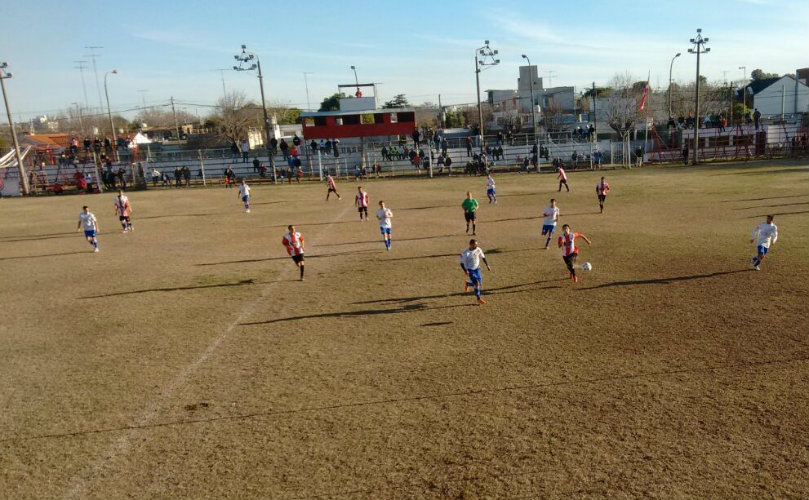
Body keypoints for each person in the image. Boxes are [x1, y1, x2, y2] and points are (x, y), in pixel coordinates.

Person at [460, 239, 491, 305]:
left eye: (477, 244)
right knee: (477, 283)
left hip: (477, 269)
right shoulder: (466, 253)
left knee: (479, 284)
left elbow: (483, 257)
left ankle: (468, 284)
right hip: (470, 270)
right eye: (475, 245)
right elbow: (461, 263)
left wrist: (487, 265)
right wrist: (466, 271)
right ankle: (478, 298)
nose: (476, 246)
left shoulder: (478, 249)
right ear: (470, 245)